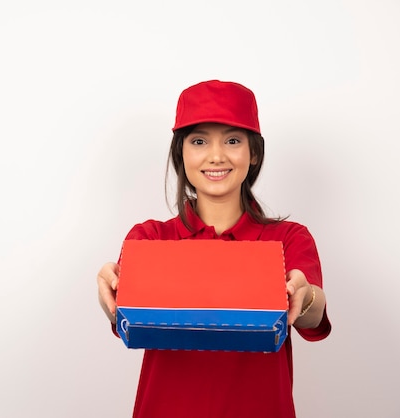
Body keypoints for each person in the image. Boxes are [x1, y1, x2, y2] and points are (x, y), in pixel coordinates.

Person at [97, 80, 331, 418]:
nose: (216, 155)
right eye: (199, 141)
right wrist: (106, 293)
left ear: (253, 153)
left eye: (233, 140)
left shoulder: (288, 239)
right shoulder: (149, 239)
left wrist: (305, 294)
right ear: (181, 153)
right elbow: (124, 317)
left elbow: (313, 316)